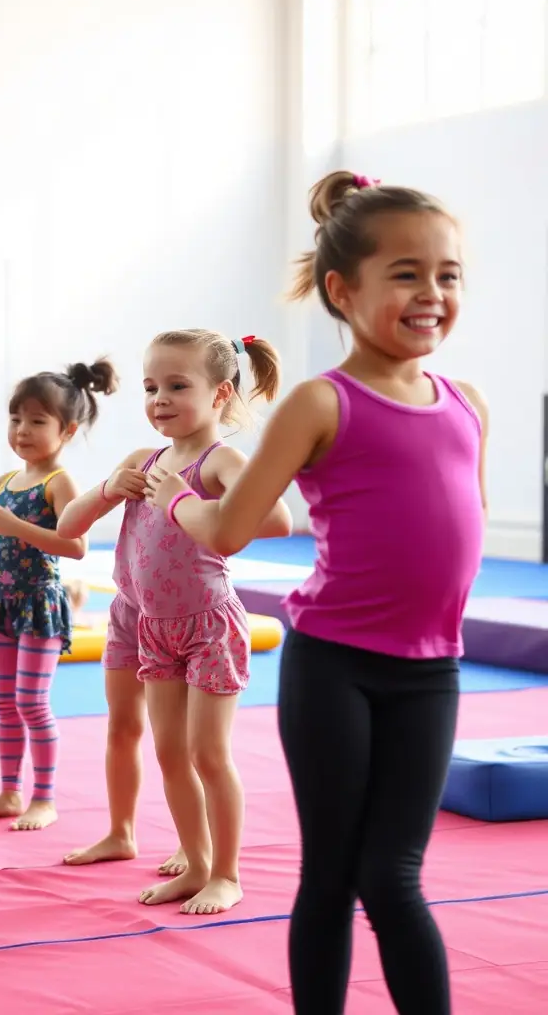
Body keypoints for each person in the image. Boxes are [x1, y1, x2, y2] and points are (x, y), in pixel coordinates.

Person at [144, 172, 486, 1013]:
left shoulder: (467, 403)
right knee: (332, 874)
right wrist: (177, 497)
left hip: (431, 672)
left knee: (396, 875)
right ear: (344, 288)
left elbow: (456, 533)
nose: (432, 293)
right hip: (335, 666)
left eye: (448, 274)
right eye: (406, 273)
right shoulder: (319, 402)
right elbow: (230, 532)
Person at [59, 328, 292, 914]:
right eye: (150, 386)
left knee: (208, 753)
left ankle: (227, 873)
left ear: (220, 394)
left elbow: (280, 518)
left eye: (177, 385)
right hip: (153, 625)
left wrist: (184, 501)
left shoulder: (223, 461)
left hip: (209, 623)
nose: (159, 398)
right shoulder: (144, 461)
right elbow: (68, 525)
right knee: (168, 751)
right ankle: (195, 861)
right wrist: (110, 489)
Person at [0, 360, 118, 830]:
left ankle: (44, 798)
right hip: (3, 606)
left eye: (38, 421)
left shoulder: (59, 483)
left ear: (67, 430)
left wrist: (16, 525)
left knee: (31, 702)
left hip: (39, 604)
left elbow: (76, 546)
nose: (22, 430)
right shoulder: (6, 482)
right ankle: (8, 792)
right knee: (3, 702)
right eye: (16, 419)